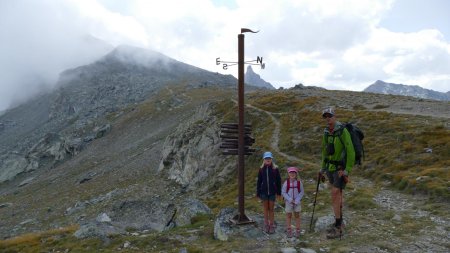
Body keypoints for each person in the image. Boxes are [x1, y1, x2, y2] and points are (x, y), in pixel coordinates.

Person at [319, 107, 355, 239]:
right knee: (335, 195)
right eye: (326, 116)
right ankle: (338, 221)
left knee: (335, 193)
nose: (328, 118)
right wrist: (322, 168)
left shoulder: (342, 131)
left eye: (330, 116)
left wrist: (347, 170)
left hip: (340, 169)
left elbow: (350, 150)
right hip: (330, 168)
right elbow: (324, 151)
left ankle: (339, 226)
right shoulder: (326, 133)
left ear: (335, 117)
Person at [256, 151, 281, 234]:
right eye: (266, 158)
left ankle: (272, 224)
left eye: (269, 158)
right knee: (265, 209)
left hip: (273, 192)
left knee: (271, 209)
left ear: (271, 159)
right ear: (264, 159)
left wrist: (279, 193)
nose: (268, 159)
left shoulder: (275, 169)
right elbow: (259, 181)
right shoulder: (261, 169)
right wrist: (258, 193)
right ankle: (266, 224)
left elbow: (278, 181)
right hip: (264, 192)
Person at [281, 167, 304, 238]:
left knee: (297, 215)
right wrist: (290, 200)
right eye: (291, 173)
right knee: (289, 215)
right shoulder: (286, 183)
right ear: (288, 174)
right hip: (288, 202)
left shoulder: (299, 182)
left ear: (296, 173)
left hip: (297, 202)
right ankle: (289, 229)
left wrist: (296, 200)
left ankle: (298, 230)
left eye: (294, 172)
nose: (292, 174)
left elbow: (301, 192)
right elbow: (283, 192)